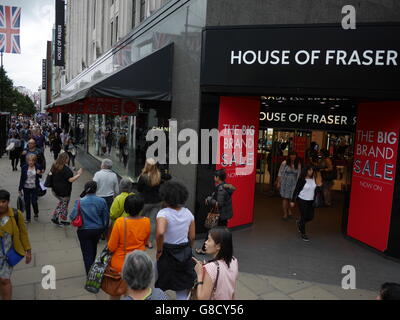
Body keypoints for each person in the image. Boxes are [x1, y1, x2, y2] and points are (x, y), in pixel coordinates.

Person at [155, 181, 196, 300]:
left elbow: (160, 232)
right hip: (184, 251)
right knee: (182, 287)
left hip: (167, 252)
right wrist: (188, 248)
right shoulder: (188, 213)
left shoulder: (163, 213)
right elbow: (192, 237)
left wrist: (159, 250)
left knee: (161, 283)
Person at [107, 194, 150, 300]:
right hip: (138, 263)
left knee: (115, 292)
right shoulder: (146, 221)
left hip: (120, 264)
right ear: (141, 208)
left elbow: (111, 247)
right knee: (132, 293)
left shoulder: (120, 222)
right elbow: (145, 242)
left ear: (126, 208)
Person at [69, 181, 109, 275]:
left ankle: (90, 274)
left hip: (84, 230)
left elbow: (72, 216)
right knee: (93, 248)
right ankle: (92, 266)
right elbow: (106, 217)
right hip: (97, 230)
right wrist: (103, 228)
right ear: (96, 189)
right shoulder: (102, 201)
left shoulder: (79, 201)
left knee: (86, 253)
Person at [0, 190, 32, 300]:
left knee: (4, 280)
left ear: (8, 202)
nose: (1, 204)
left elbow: (23, 233)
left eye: (3, 201)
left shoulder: (15, 214)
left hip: (7, 255)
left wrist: (28, 250)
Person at [196, 169, 236, 255]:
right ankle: (225, 249)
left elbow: (219, 204)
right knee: (223, 233)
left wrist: (209, 199)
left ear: (218, 177)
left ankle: (204, 249)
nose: (214, 177)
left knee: (210, 232)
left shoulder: (221, 189)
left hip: (219, 215)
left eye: (215, 176)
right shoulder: (225, 186)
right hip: (224, 215)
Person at [193, 227, 239, 300]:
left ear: (218, 246)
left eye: (209, 240)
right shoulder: (234, 261)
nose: (205, 242)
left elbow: (202, 298)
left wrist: (200, 274)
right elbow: (232, 290)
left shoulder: (211, 268)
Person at [49, 152, 83, 226]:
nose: (69, 159)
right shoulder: (65, 169)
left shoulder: (55, 165)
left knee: (62, 203)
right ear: (65, 159)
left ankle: (61, 218)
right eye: (68, 158)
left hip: (55, 190)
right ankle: (57, 218)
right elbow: (70, 180)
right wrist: (79, 174)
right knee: (64, 204)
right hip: (64, 191)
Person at [137, 158, 163, 249]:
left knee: (139, 219)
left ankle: (139, 239)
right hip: (157, 202)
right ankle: (149, 241)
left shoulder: (143, 176)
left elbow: (139, 189)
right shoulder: (158, 175)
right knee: (152, 222)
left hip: (145, 202)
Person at [291, 165, 320, 242]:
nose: (311, 172)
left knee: (311, 217)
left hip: (311, 201)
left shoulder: (314, 179)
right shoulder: (302, 179)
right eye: (309, 170)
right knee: (304, 216)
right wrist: (293, 200)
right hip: (302, 199)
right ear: (306, 171)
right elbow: (296, 190)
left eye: (312, 170)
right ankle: (303, 233)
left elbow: (316, 189)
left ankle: (300, 223)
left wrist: (318, 186)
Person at [93, 159, 119, 239]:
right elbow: (117, 190)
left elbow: (94, 186)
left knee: (97, 215)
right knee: (106, 216)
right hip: (109, 198)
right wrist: (115, 197)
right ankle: (104, 233)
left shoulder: (98, 174)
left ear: (103, 165)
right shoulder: (114, 175)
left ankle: (98, 232)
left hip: (98, 197)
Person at [18, 154, 44, 223]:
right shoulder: (24, 167)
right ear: (27, 161)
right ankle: (28, 218)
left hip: (34, 187)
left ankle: (36, 212)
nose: (31, 162)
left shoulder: (38, 166)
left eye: (32, 160)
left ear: (35, 161)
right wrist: (20, 188)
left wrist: (39, 173)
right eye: (29, 160)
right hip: (26, 188)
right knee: (27, 203)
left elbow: (40, 176)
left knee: (34, 201)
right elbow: (22, 178)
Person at [276, 151, 301, 220]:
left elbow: (299, 175)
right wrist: (278, 182)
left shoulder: (298, 164)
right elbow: (280, 173)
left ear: (296, 156)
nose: (293, 156)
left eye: (294, 155)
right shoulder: (284, 163)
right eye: (291, 155)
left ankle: (289, 211)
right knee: (285, 198)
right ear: (289, 156)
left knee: (291, 198)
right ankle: (285, 214)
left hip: (294, 183)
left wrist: (298, 185)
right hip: (285, 182)